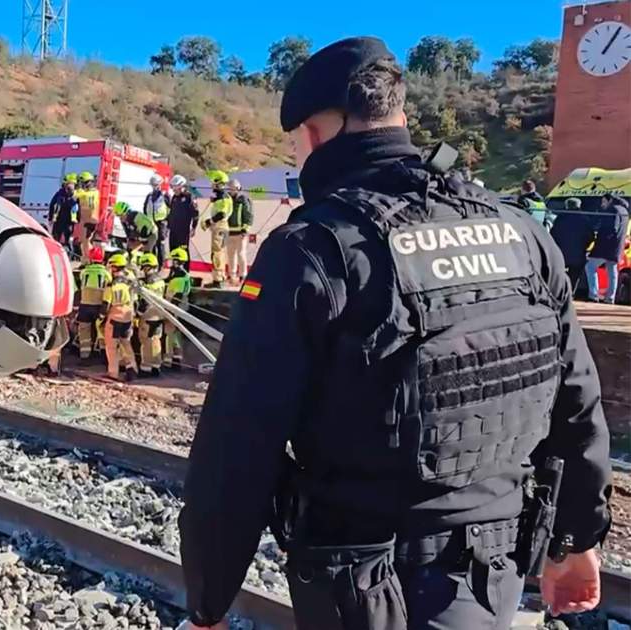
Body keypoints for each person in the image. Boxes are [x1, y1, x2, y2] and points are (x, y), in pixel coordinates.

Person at [179, 37, 612, 630]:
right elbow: (577, 400)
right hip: (498, 569)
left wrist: (207, 600)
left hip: (364, 583)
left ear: (315, 133)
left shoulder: (311, 249)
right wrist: (575, 540)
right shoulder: (520, 233)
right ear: (398, 115)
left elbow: (236, 448)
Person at [585, 192, 630, 304]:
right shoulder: (624, 211)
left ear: (610, 200)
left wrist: (599, 238)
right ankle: (610, 298)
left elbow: (611, 229)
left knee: (590, 266)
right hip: (617, 248)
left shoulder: (613, 210)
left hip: (605, 247)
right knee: (612, 272)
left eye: (604, 201)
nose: (602, 204)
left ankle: (593, 295)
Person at [102, 253, 138, 382]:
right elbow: (136, 301)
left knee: (111, 347)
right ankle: (132, 368)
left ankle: (113, 373)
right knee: (126, 344)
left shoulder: (111, 285)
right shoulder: (130, 284)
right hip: (128, 317)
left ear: (115, 268)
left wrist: (101, 318)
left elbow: (106, 304)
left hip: (114, 318)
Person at [551, 197, 595, 291]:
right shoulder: (585, 219)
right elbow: (591, 236)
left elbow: (552, 234)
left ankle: (558, 292)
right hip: (578, 254)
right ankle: (570, 294)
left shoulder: (560, 218)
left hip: (560, 254)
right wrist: (584, 246)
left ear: (567, 206)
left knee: (558, 274)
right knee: (574, 277)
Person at [76, 247, 112, 361]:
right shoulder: (106, 274)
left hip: (85, 305)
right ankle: (103, 355)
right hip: (99, 306)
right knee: (101, 330)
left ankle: (84, 355)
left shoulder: (84, 272)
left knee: (84, 330)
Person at [136, 253, 166, 377]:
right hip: (159, 315)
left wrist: (138, 313)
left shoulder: (147, 283)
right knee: (155, 341)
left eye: (144, 267)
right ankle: (156, 366)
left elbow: (145, 302)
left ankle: (145, 369)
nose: (143, 270)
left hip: (148, 316)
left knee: (146, 342)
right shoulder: (160, 281)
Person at [200, 171, 232, 288]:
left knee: (217, 253)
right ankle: (219, 278)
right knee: (219, 253)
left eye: (213, 183)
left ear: (218, 183)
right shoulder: (221, 197)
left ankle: (218, 280)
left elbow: (222, 214)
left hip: (220, 227)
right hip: (220, 227)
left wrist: (209, 222)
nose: (211, 185)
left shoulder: (223, 198)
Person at [163, 246, 193, 370]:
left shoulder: (180, 279)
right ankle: (176, 359)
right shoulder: (183, 275)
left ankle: (169, 361)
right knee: (175, 335)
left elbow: (177, 297)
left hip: (175, 308)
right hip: (181, 308)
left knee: (170, 335)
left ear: (177, 261)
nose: (171, 264)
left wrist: (169, 310)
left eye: (173, 261)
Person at [226, 179, 253, 285]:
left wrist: (245, 230)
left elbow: (249, 215)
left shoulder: (244, 200)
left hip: (240, 233)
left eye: (234, 188)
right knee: (230, 255)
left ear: (238, 188)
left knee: (241, 254)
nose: (232, 191)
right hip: (229, 232)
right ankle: (231, 275)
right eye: (230, 188)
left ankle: (243, 275)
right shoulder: (227, 199)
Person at [144, 174, 171, 263]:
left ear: (160, 184)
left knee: (160, 244)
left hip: (162, 223)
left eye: (156, 184)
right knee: (152, 243)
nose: (154, 187)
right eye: (153, 185)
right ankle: (152, 262)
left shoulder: (165, 196)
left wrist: (168, 222)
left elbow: (171, 208)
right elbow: (145, 209)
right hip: (151, 223)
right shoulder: (149, 196)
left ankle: (161, 264)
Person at [168, 175, 199, 255]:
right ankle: (174, 267)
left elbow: (195, 214)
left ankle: (184, 267)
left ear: (181, 186)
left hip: (184, 230)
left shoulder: (189, 197)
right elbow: (172, 212)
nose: (174, 190)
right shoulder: (174, 197)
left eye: (176, 188)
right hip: (173, 229)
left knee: (183, 251)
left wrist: (194, 227)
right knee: (173, 250)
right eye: (173, 188)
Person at [49, 174, 79, 253]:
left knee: (68, 240)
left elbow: (79, 209)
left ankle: (69, 255)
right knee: (56, 238)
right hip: (59, 219)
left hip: (69, 221)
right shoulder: (60, 193)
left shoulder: (76, 195)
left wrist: (78, 219)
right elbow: (52, 204)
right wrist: (51, 217)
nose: (70, 188)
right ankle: (54, 252)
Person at [76, 171, 100, 258]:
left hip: (89, 220)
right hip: (89, 219)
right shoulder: (95, 192)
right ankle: (87, 258)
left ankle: (89, 259)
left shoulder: (85, 194)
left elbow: (76, 195)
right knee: (84, 241)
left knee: (85, 241)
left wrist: (78, 188)